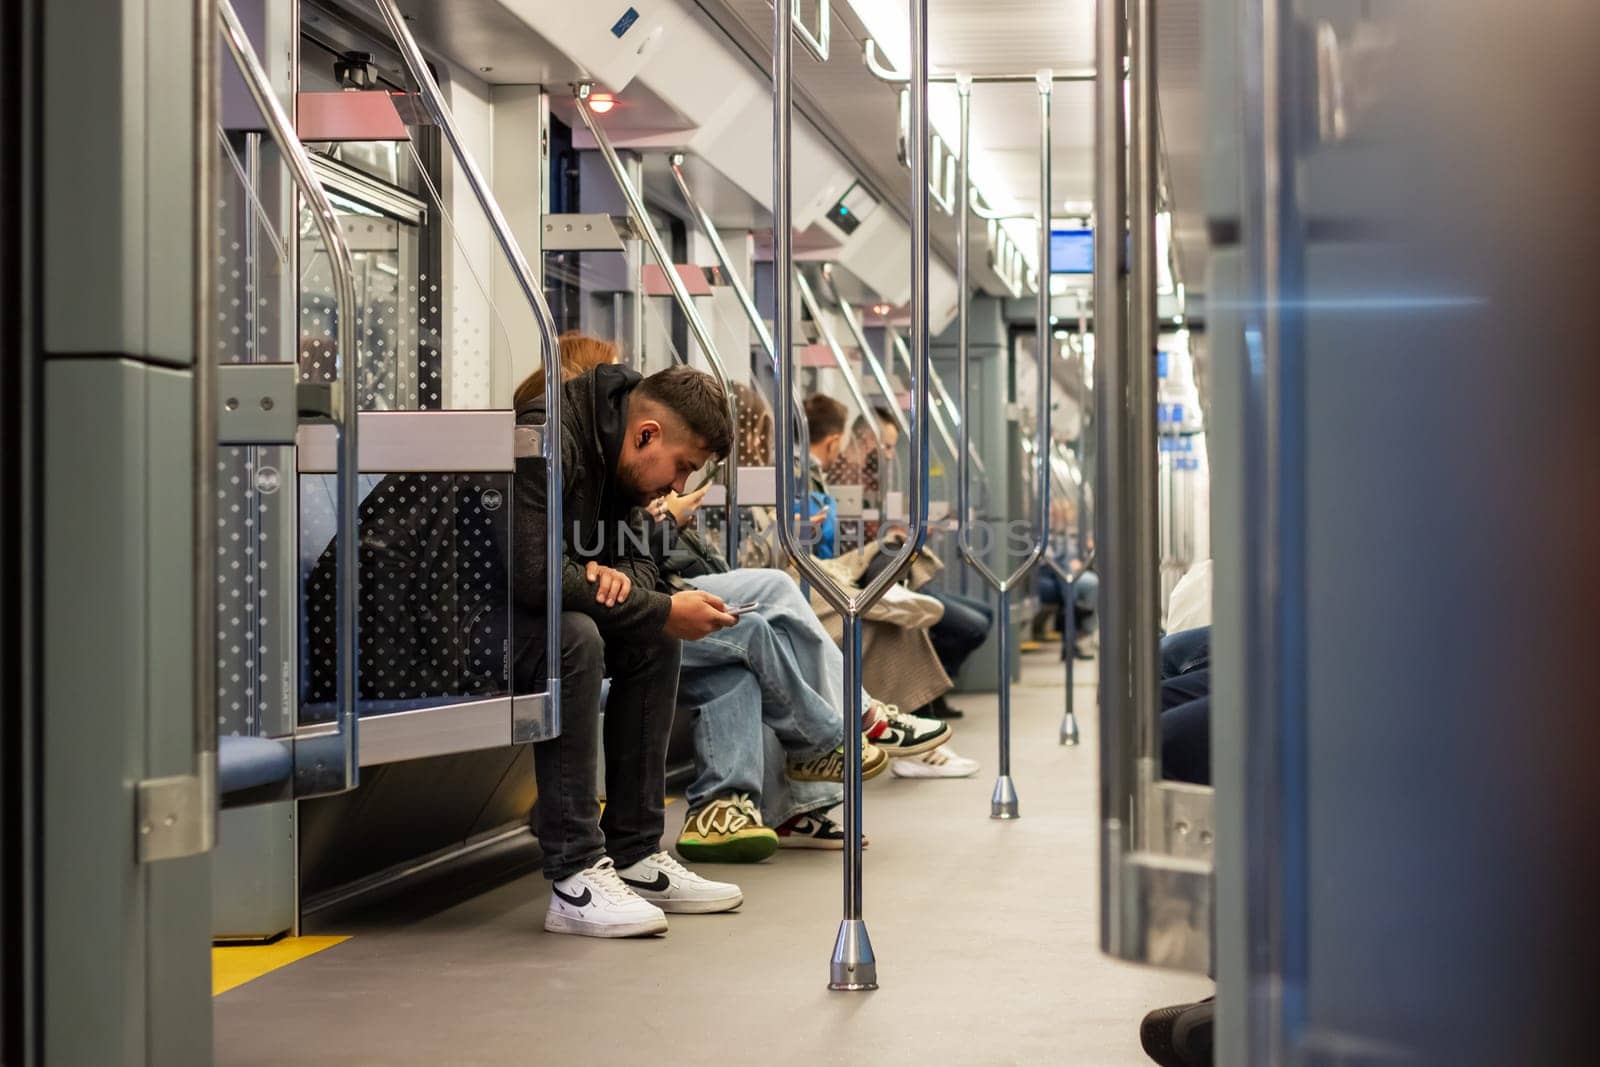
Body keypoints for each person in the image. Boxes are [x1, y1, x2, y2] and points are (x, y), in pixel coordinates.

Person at [511, 332, 748, 938]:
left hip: (515, 610)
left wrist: (626, 585)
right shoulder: (549, 433)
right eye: (682, 467)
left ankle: (637, 854)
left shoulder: (618, 456)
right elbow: (532, 572)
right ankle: (574, 875)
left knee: (653, 636)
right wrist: (632, 593)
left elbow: (639, 561)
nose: (676, 487)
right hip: (448, 620)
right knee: (577, 636)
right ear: (646, 434)